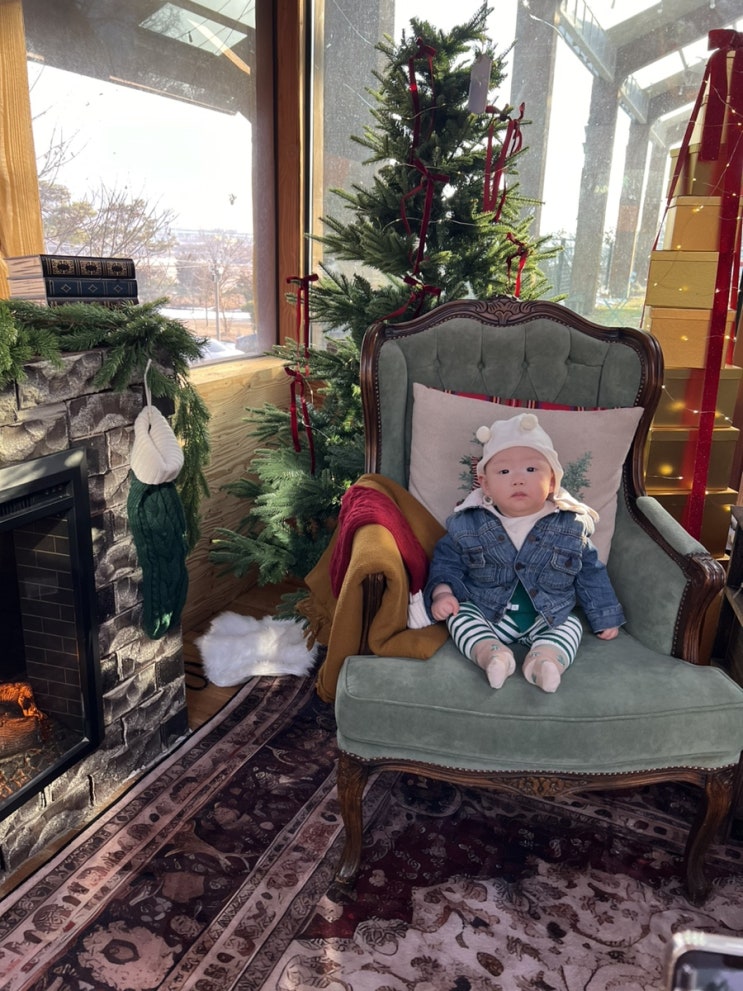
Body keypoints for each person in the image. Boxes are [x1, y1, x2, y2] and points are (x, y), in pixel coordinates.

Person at [424, 412, 624, 692]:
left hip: (548, 616)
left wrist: (604, 615)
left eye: (531, 469)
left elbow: (591, 572)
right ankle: (491, 654)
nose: (518, 479)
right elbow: (447, 562)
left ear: (552, 481)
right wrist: (442, 593)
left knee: (571, 626)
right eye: (504, 472)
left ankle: (544, 661)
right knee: (460, 616)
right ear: (485, 484)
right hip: (487, 612)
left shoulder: (570, 526)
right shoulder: (468, 524)